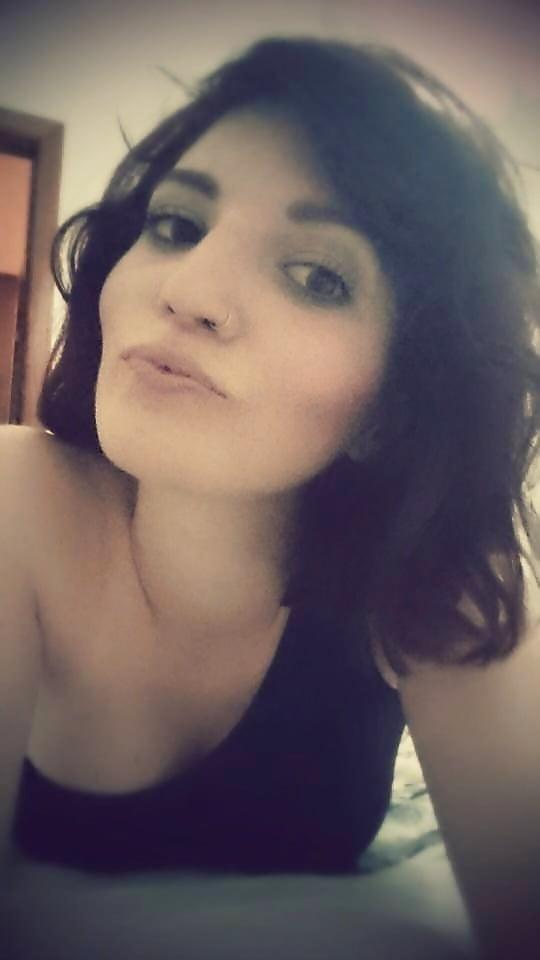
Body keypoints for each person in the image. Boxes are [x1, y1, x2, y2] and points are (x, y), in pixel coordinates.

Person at [1, 34, 539, 959]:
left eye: (318, 276)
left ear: (394, 406)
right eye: (176, 225)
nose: (188, 290)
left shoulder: (430, 570)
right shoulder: (13, 499)